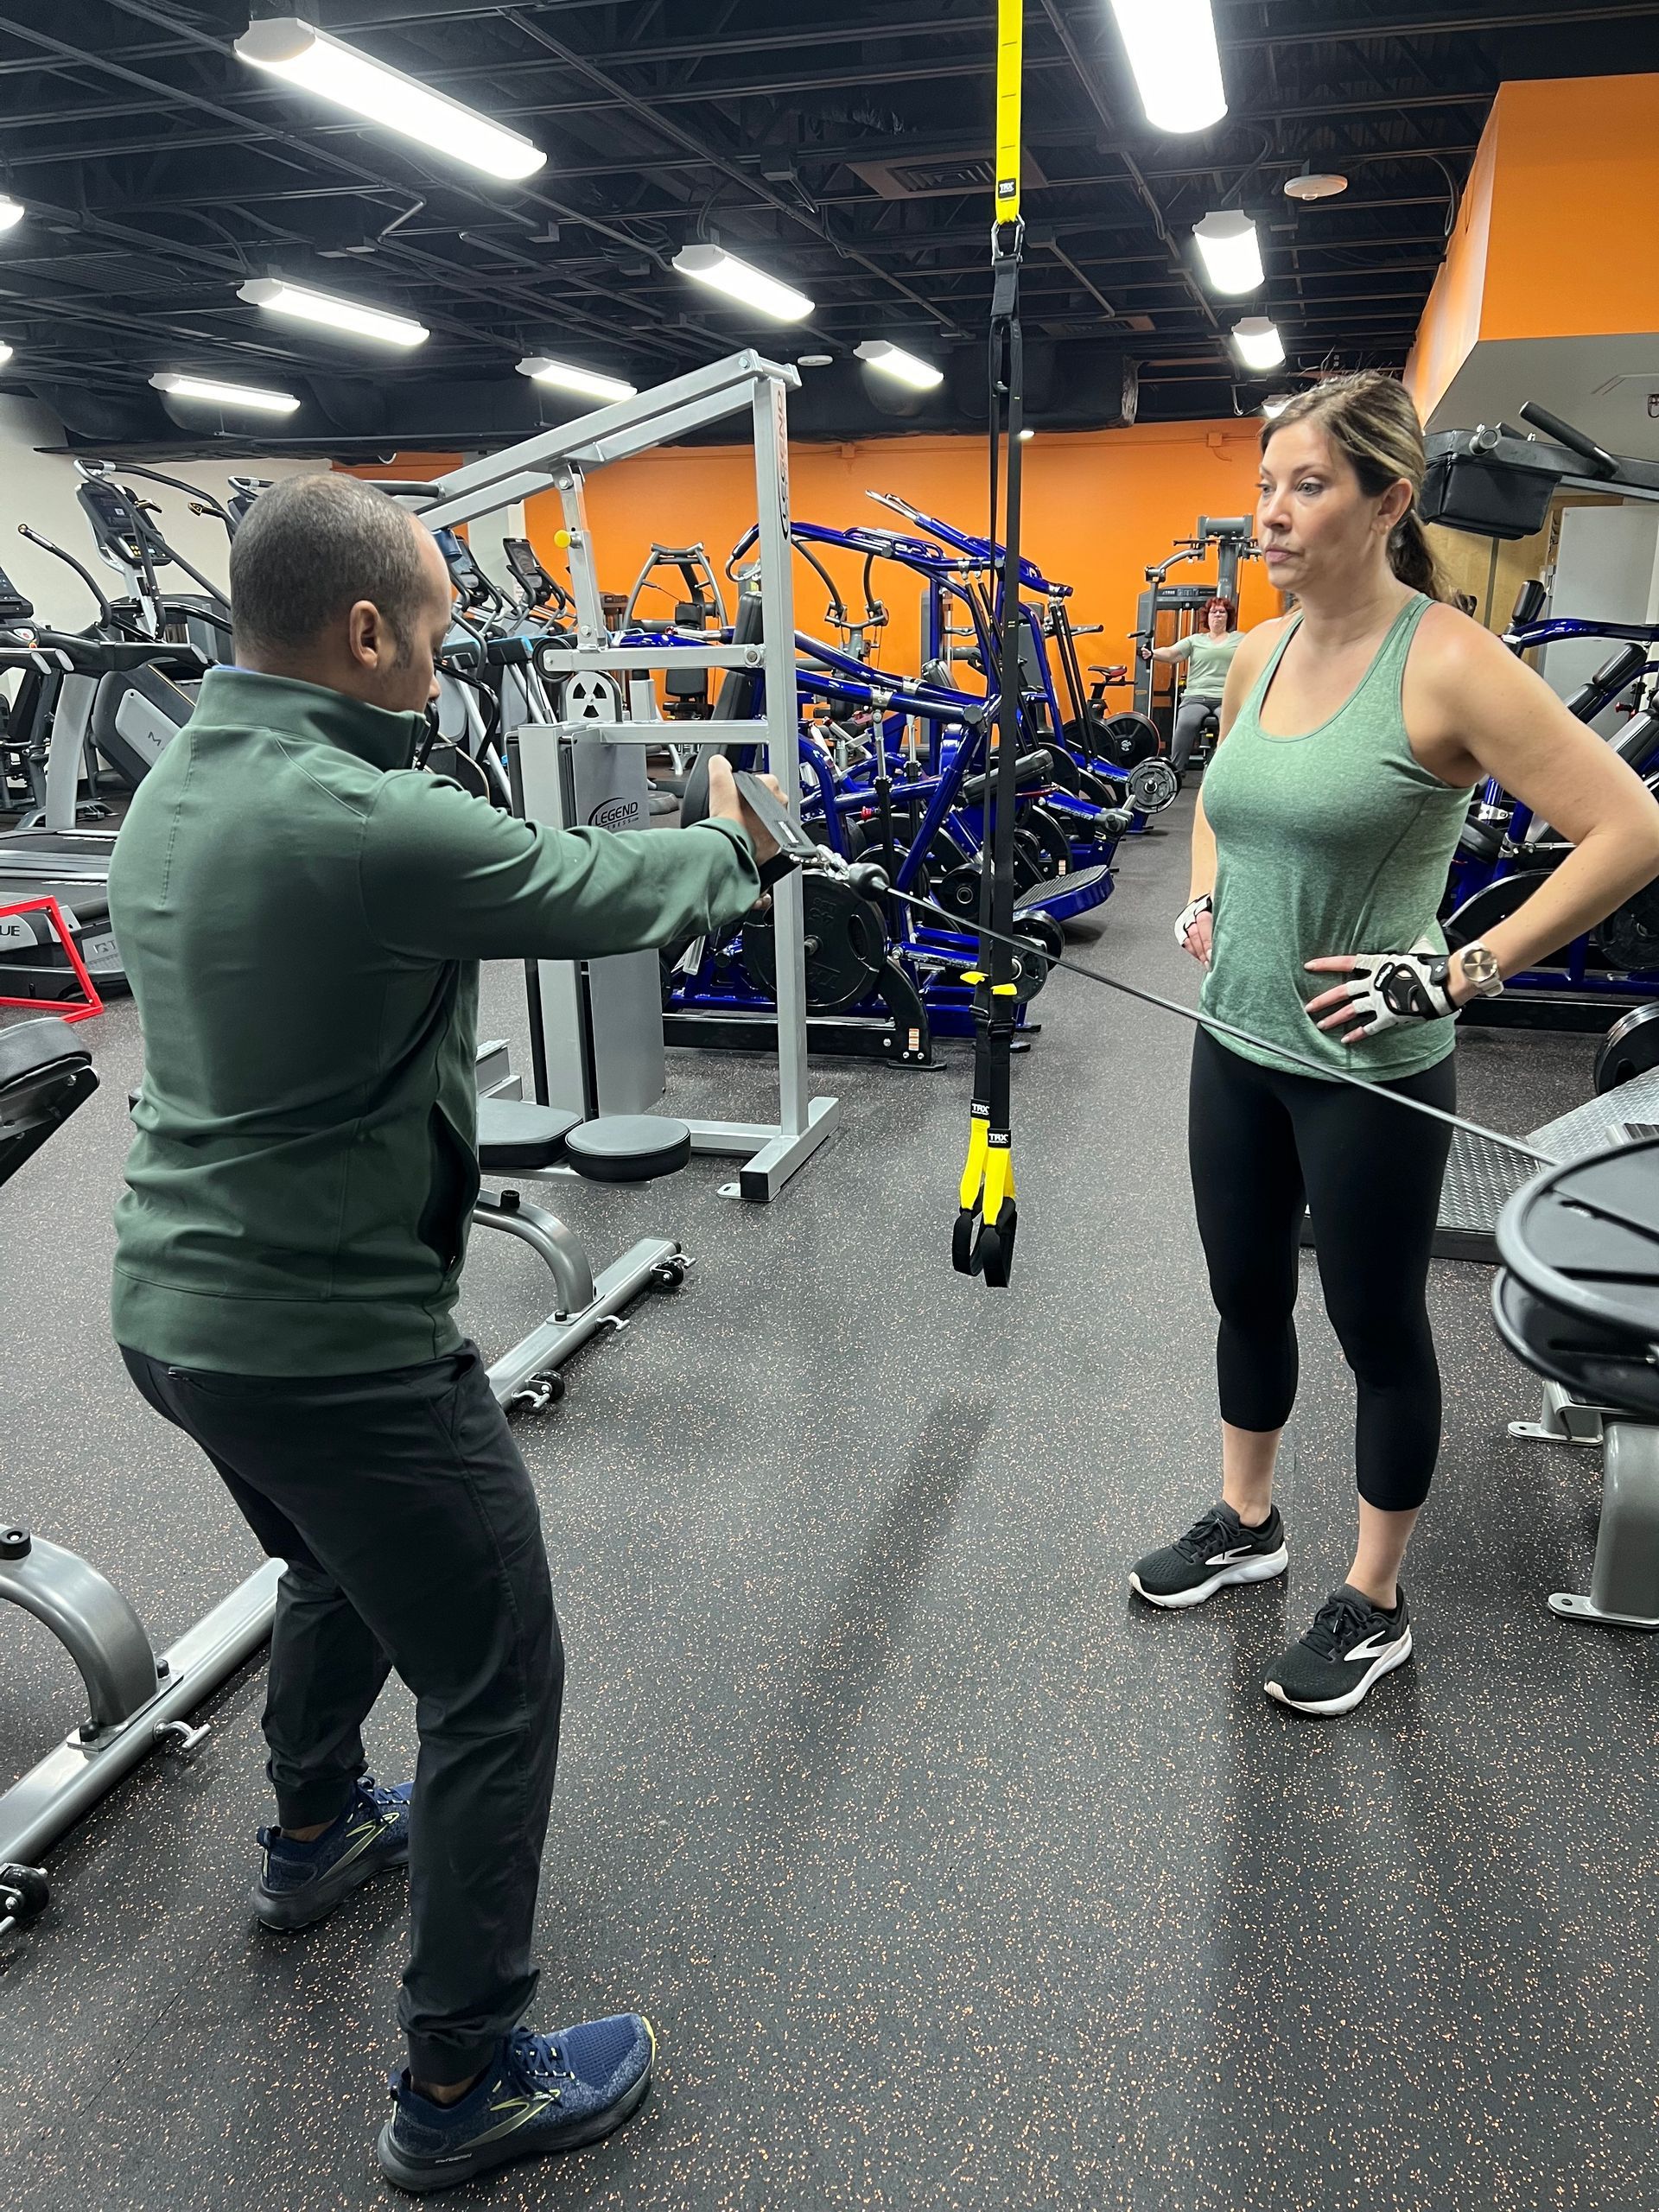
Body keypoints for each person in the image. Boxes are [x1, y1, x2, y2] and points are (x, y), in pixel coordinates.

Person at [107, 474, 779, 2191]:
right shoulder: (361, 816)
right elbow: (604, 889)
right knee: (496, 1680)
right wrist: (748, 837)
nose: (443, 656)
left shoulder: (180, 772)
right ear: (362, 630)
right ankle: (462, 2080)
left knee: (332, 1573)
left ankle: (314, 1827)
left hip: (172, 1319)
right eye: (432, 630)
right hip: (331, 1347)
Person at [1128, 371, 1659, 1716]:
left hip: (1370, 1072)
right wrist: (1203, 888)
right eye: (1265, 486)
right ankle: (1250, 1525)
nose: (1274, 514)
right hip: (1233, 1044)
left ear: (1387, 503)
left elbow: (1631, 829)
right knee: (1245, 1296)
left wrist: (1463, 970)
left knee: (1375, 1328)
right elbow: (1222, 798)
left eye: (1307, 486)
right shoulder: (1255, 649)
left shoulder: (1450, 663)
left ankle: (1375, 1600)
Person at [1142, 596, 1242, 775]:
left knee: (1232, 726)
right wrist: (1152, 653)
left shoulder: (1240, 639)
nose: (1217, 615)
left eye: (1222, 612)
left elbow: (1259, 651)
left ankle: (1225, 772)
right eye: (1214, 612)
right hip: (1196, 697)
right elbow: (1172, 653)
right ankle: (1175, 772)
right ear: (1207, 617)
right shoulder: (1195, 640)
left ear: (1228, 617)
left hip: (1226, 698)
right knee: (1186, 723)